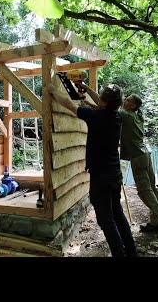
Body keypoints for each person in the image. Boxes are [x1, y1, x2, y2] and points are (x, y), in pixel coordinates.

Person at [46, 81, 137, 257]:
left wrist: (53, 90)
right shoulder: (116, 115)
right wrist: (86, 89)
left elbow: (69, 105)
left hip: (101, 177)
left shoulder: (96, 116)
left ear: (104, 102)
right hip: (114, 175)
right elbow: (101, 104)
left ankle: (119, 254)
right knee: (117, 214)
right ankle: (131, 252)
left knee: (106, 220)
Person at [120, 93, 158, 232]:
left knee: (144, 191)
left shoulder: (127, 116)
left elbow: (105, 108)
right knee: (152, 188)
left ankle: (156, 222)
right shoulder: (137, 116)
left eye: (128, 100)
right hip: (144, 155)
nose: (125, 100)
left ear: (134, 105)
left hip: (138, 158)